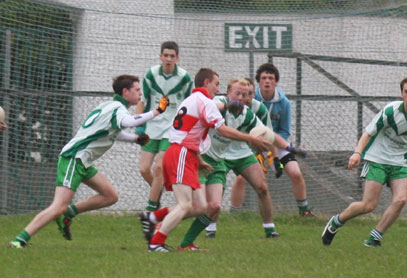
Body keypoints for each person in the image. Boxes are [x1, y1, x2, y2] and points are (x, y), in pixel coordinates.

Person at [7, 74, 169, 248]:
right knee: (58, 206)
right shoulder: (117, 109)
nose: (140, 95)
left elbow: (113, 132)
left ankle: (69, 213)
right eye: (137, 90)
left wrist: (135, 139)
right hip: (74, 158)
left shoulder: (110, 106)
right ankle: (19, 240)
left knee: (110, 196)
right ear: (125, 91)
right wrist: (157, 111)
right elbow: (129, 121)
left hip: (82, 161)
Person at [143, 69, 271, 252]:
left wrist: (199, 160)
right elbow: (223, 130)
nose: (217, 88)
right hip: (181, 153)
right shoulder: (206, 102)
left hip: (189, 155)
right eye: (216, 84)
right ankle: (156, 241)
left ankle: (155, 219)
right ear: (206, 82)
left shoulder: (191, 100)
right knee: (185, 205)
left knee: (202, 206)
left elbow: (191, 132)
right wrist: (251, 139)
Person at [322, 75, 407, 247]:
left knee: (401, 200)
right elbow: (368, 133)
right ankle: (336, 222)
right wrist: (357, 153)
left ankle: (375, 238)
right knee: (368, 205)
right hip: (377, 158)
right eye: (406, 92)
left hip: (401, 162)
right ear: (402, 94)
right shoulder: (390, 111)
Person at [179, 78, 291, 249]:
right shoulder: (218, 104)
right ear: (228, 93)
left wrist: (276, 157)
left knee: (261, 186)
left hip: (241, 152)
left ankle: (269, 228)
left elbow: (267, 134)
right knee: (202, 205)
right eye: (237, 93)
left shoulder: (253, 111)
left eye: (245, 95)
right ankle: (206, 227)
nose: (241, 97)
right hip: (209, 156)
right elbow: (209, 111)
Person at [136, 41, 193, 234]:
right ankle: (157, 193)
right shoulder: (151, 74)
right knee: (144, 169)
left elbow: (189, 104)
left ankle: (150, 210)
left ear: (177, 58)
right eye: (165, 55)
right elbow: (142, 101)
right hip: (152, 126)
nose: (168, 59)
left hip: (172, 128)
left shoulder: (185, 78)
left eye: (172, 56)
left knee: (159, 166)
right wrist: (138, 125)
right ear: (160, 57)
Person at [254, 63, 313, 217]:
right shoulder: (252, 98)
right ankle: (235, 213)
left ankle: (304, 210)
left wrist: (273, 146)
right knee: (241, 178)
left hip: (277, 143)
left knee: (295, 173)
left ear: (276, 82)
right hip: (254, 142)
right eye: (264, 78)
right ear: (258, 82)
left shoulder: (284, 103)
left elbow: (285, 130)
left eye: (271, 78)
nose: (267, 81)